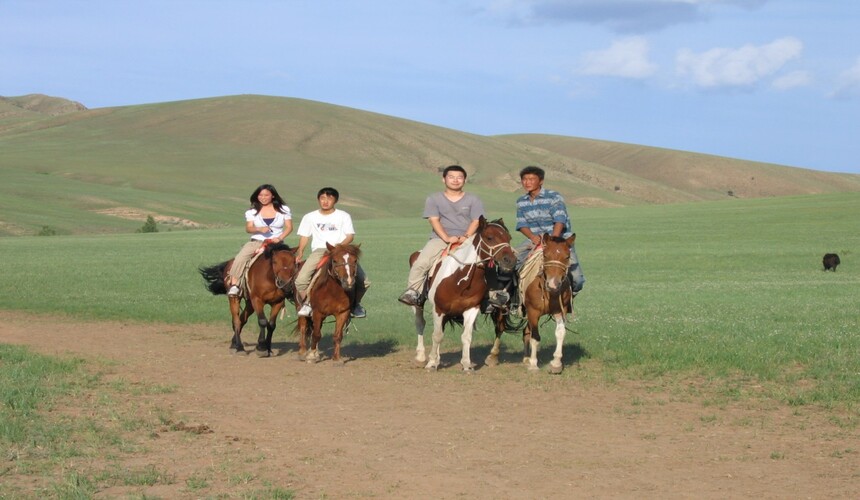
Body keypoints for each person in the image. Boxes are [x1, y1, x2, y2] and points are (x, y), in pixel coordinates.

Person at [398, 165, 504, 307]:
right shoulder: (434, 199)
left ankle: (492, 295)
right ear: (444, 179)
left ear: (464, 180)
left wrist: (466, 236)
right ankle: (412, 291)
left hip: (471, 238)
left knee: (488, 261)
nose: (455, 180)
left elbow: (476, 220)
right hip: (440, 238)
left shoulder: (473, 199)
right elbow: (433, 220)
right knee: (422, 262)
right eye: (451, 177)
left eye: (459, 177)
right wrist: (447, 238)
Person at [295, 187, 368, 318]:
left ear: (335, 200)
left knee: (364, 281)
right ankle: (308, 303)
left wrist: (339, 248)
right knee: (301, 280)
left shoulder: (343, 216)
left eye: (329, 198)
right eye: (322, 198)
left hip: (341, 250)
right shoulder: (310, 217)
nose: (325, 201)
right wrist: (300, 251)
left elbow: (350, 236)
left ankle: (355, 305)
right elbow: (305, 236)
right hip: (320, 250)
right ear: (318, 200)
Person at [514, 165, 585, 295]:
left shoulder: (553, 197)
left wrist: (551, 241)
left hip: (559, 241)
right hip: (535, 239)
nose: (527, 182)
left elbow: (559, 220)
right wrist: (533, 238)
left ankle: (567, 299)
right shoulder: (521, 201)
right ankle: (511, 298)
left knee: (577, 279)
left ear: (540, 181)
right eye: (524, 179)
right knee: (511, 261)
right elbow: (522, 224)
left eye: (531, 179)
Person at [227, 184, 293, 297]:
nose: (263, 197)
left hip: (277, 243)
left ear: (272, 196)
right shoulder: (252, 212)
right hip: (257, 242)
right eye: (260, 195)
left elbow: (289, 227)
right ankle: (234, 285)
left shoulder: (283, 209)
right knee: (240, 257)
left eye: (266, 195)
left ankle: (292, 286)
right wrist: (259, 229)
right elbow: (248, 228)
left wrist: (280, 238)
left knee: (290, 260)